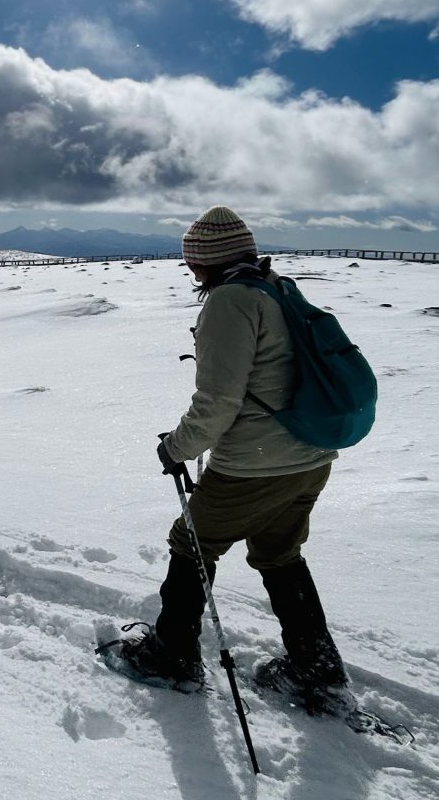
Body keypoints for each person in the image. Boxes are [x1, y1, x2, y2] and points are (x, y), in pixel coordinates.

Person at [121, 206, 349, 700]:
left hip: (255, 462)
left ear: (204, 261)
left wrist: (176, 447)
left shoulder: (230, 301)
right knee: (279, 553)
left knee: (191, 543)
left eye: (192, 261)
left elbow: (219, 400)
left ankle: (172, 656)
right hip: (310, 454)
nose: (190, 269)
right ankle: (316, 667)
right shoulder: (277, 287)